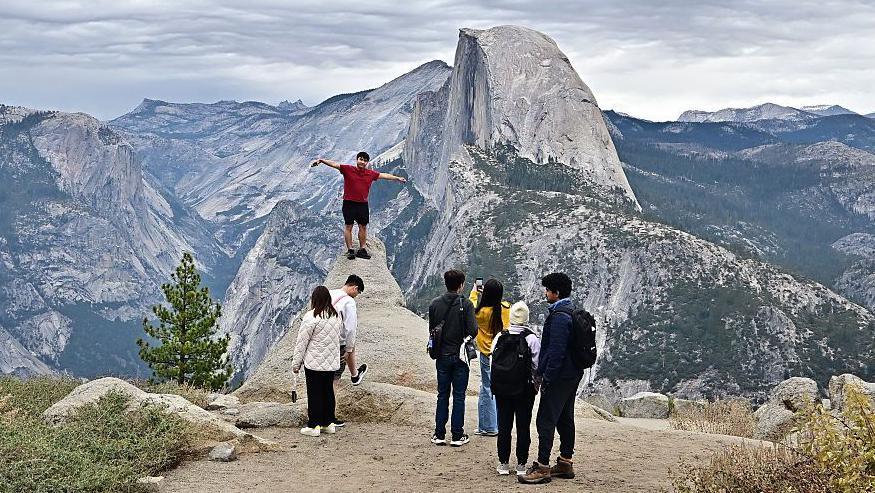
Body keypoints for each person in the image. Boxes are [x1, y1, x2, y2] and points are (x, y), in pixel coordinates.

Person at [519, 273, 583, 484]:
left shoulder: (558, 318)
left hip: (558, 377)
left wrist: (546, 378)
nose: (545, 293)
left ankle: (543, 466)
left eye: (547, 290)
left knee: (545, 419)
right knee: (565, 418)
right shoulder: (572, 311)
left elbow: (555, 352)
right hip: (572, 375)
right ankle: (565, 462)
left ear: (556, 293)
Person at [311, 152, 407, 260]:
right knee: (349, 226)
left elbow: (384, 175)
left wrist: (397, 178)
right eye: (361, 159)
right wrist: (321, 160)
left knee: (363, 226)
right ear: (357, 160)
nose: (362, 162)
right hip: (349, 203)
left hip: (362, 204)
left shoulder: (370, 174)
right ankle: (350, 250)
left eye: (365, 160)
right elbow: (334, 164)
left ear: (367, 162)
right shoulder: (348, 169)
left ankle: (362, 249)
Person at [429, 269, 478, 447]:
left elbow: (432, 331)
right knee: (459, 396)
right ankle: (457, 435)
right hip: (460, 357)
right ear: (461, 285)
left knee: (442, 395)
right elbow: (473, 331)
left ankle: (439, 433)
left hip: (442, 355)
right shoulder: (466, 305)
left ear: (445, 283)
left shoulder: (434, 304)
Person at [490, 301, 540, 476]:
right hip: (524, 390)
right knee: (523, 426)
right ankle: (521, 464)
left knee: (504, 426)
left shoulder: (499, 337)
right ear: (526, 318)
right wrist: (535, 385)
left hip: (502, 389)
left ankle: (503, 463)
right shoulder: (531, 338)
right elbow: (537, 366)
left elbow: (492, 363)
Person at [291, 285, 343, 437]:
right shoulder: (335, 316)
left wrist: (296, 364)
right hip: (331, 363)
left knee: (314, 393)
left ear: (314, 299)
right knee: (328, 391)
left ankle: (314, 425)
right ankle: (328, 423)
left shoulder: (311, 316)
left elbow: (302, 342)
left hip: (314, 362)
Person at [469, 279, 510, 436]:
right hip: (502, 355)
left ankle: (490, 427)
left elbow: (470, 306)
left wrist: (475, 292)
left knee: (487, 388)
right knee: (497, 389)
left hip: (487, 354)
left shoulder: (481, 313)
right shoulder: (506, 308)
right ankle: (494, 424)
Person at [331, 275, 368, 393]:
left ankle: (355, 375)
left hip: (321, 339)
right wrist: (348, 349)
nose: (356, 296)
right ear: (355, 288)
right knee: (334, 377)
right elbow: (350, 328)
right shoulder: (349, 301)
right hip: (337, 342)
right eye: (358, 292)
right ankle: (328, 407)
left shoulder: (329, 293)